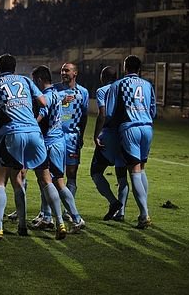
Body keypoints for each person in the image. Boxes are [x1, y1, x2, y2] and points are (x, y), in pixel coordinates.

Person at [0, 54, 67, 241]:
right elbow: (43, 102)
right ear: (15, 67)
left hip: (12, 133)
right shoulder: (25, 80)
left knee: (1, 180)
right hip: (34, 133)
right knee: (46, 180)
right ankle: (60, 223)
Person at [32, 65, 84, 234]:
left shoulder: (47, 96)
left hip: (51, 143)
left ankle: (76, 218)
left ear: (39, 80)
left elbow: (42, 113)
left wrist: (30, 122)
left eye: (34, 81)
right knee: (46, 181)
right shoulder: (55, 93)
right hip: (58, 140)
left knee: (57, 182)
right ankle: (47, 216)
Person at [105, 55, 156, 229]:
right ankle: (144, 211)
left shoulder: (118, 85)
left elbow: (110, 113)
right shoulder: (148, 85)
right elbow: (153, 109)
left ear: (125, 67)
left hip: (130, 128)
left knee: (133, 170)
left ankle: (144, 214)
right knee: (141, 168)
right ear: (139, 69)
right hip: (147, 128)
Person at [91, 66, 129, 221]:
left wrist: (95, 135)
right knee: (122, 176)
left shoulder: (102, 90)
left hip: (109, 135)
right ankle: (121, 213)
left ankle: (113, 202)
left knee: (96, 172)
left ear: (102, 77)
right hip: (125, 135)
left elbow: (103, 114)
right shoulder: (125, 87)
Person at [53, 63, 89, 222]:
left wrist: (81, 136)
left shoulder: (83, 92)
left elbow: (85, 116)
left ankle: (68, 210)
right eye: (62, 70)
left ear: (75, 73)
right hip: (55, 136)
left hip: (72, 137)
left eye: (67, 70)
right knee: (53, 175)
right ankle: (49, 212)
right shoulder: (54, 89)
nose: (63, 73)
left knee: (72, 174)